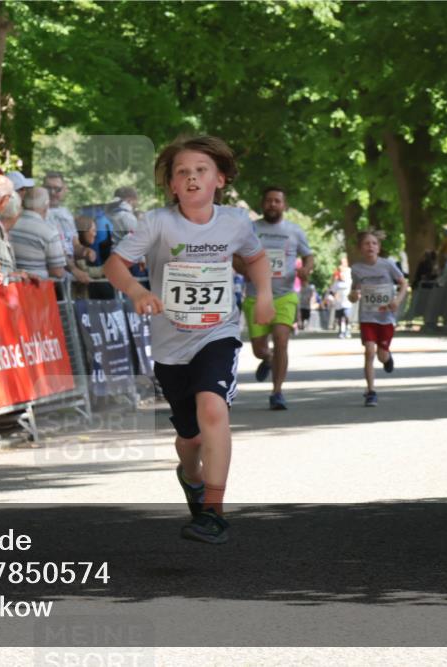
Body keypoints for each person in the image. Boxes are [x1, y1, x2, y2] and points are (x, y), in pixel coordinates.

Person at [104, 135, 273, 545]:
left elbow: (255, 257)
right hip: (170, 344)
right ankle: (191, 476)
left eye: (201, 170)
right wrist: (139, 292)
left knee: (212, 409)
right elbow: (114, 264)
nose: (192, 178)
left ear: (220, 179)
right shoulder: (157, 223)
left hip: (218, 332)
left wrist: (263, 294)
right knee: (189, 437)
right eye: (183, 172)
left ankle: (213, 511)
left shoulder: (235, 221)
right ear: (172, 186)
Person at [241, 186, 313, 410]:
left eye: (277, 201)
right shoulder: (250, 229)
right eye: (269, 200)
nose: (272, 204)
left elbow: (309, 256)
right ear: (262, 204)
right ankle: (268, 358)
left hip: (284, 296)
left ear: (285, 205)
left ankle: (277, 392)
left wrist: (306, 270)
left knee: (282, 339)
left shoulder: (294, 231)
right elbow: (234, 256)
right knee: (258, 349)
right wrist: (245, 270)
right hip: (256, 296)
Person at [348, 230, 408, 407]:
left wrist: (397, 300)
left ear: (379, 247)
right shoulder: (356, 269)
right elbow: (354, 292)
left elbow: (403, 283)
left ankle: (387, 358)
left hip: (385, 317)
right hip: (367, 317)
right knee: (369, 351)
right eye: (366, 244)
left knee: (381, 356)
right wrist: (353, 296)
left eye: (374, 243)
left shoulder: (388, 265)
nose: (370, 246)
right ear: (360, 248)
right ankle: (371, 391)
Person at [10, 187, 67, 280]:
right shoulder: (49, 231)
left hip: (12, 285)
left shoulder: (10, 224)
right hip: (37, 287)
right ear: (46, 205)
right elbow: (58, 272)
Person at [44, 172, 92, 282]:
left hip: (69, 270)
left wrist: (85, 251)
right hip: (54, 275)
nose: (52, 193)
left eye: (57, 189)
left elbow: (75, 244)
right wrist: (74, 270)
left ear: (65, 189)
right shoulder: (40, 213)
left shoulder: (66, 213)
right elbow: (52, 250)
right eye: (48, 188)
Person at [330, 269, 351, 338]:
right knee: (339, 318)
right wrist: (332, 298)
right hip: (338, 304)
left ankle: (348, 328)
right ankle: (341, 331)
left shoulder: (349, 282)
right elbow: (331, 293)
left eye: (343, 275)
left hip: (347, 303)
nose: (342, 276)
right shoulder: (336, 284)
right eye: (341, 275)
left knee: (347, 316)